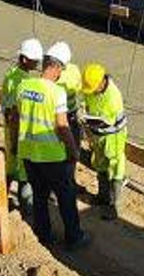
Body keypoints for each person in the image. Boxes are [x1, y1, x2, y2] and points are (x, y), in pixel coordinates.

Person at [8, 42, 91, 250]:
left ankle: (43, 235)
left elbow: (15, 119)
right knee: (66, 197)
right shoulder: (56, 93)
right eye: (62, 69)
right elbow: (62, 127)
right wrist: (73, 152)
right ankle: (74, 237)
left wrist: (15, 145)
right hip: (52, 157)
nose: (61, 73)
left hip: (28, 153)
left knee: (39, 196)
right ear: (57, 67)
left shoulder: (23, 86)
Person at [80, 62, 127, 219]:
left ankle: (112, 205)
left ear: (102, 82)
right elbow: (88, 104)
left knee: (114, 169)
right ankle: (102, 196)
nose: (90, 92)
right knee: (100, 164)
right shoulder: (91, 88)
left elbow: (106, 121)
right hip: (97, 135)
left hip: (112, 137)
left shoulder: (113, 97)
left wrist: (89, 122)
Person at [1, 37, 43, 211]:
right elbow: (14, 113)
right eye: (35, 61)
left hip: (10, 131)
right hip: (19, 132)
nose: (38, 64)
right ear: (25, 59)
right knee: (24, 173)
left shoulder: (11, 74)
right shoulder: (23, 83)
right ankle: (27, 209)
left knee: (10, 168)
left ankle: (0, 199)